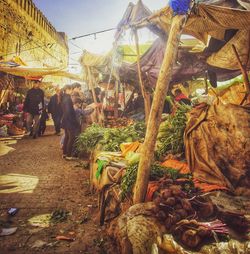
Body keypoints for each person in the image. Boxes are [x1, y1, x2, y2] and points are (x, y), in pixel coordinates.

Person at [61, 84, 79, 160]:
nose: (72, 91)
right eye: (71, 89)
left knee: (67, 137)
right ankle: (68, 155)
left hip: (65, 120)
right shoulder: (68, 98)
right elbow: (69, 112)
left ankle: (64, 153)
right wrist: (74, 121)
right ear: (67, 90)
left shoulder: (64, 97)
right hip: (69, 121)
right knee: (71, 138)